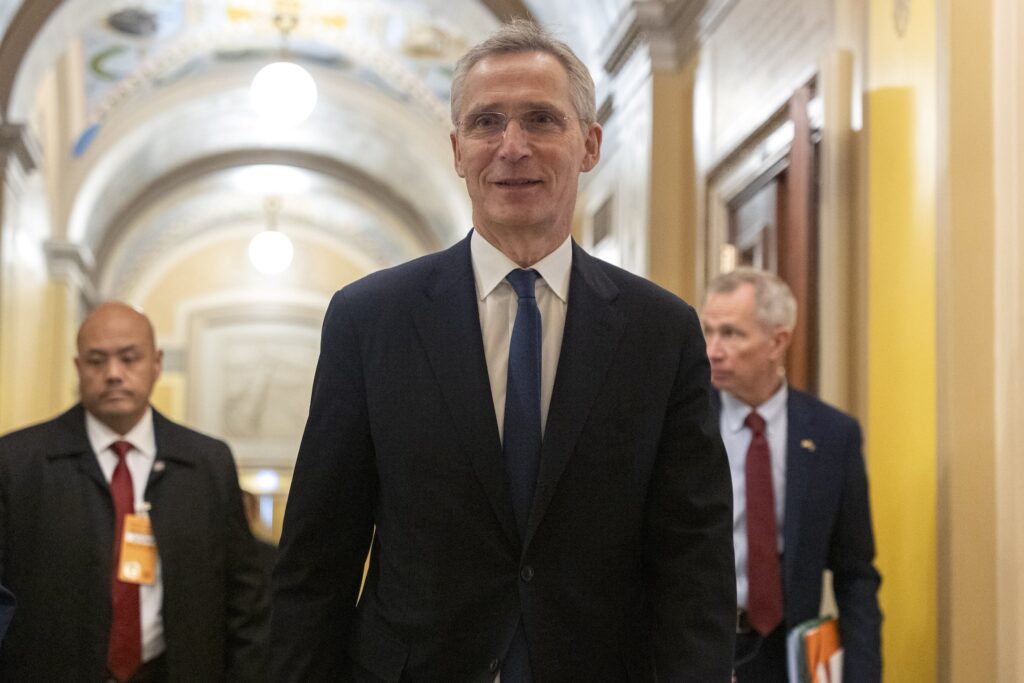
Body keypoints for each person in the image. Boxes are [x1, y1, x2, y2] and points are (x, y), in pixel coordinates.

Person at [271, 19, 735, 683]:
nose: (512, 147)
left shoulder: (660, 333)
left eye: (541, 120)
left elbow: (695, 563)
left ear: (589, 144)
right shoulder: (369, 320)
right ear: (458, 149)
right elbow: (316, 562)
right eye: (487, 122)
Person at [0, 302, 267, 681]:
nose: (113, 374)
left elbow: (246, 603)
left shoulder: (207, 463)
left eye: (129, 358)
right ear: (78, 368)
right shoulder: (18, 462)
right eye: (96, 361)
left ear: (156, 363)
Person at [701, 268, 882, 682]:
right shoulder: (683, 423)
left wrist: (862, 674)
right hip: (705, 650)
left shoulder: (834, 435)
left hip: (791, 655)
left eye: (731, 334)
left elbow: (856, 574)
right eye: (708, 332)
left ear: (777, 341)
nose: (713, 350)